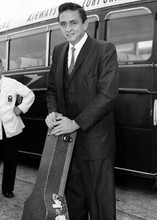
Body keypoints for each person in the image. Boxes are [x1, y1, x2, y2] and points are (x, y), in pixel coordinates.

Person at [45, 2, 119, 220]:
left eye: (73, 23)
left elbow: (107, 96)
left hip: (96, 145)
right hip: (67, 146)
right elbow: (51, 91)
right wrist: (53, 112)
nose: (68, 29)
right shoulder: (58, 52)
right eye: (63, 24)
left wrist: (75, 123)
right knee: (74, 202)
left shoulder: (105, 50)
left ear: (86, 23)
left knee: (100, 206)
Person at [0, 59, 35, 198]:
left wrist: (20, 108)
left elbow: (30, 95)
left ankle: (7, 189)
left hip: (11, 129)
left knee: (11, 161)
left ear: (2, 68)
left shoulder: (12, 83)